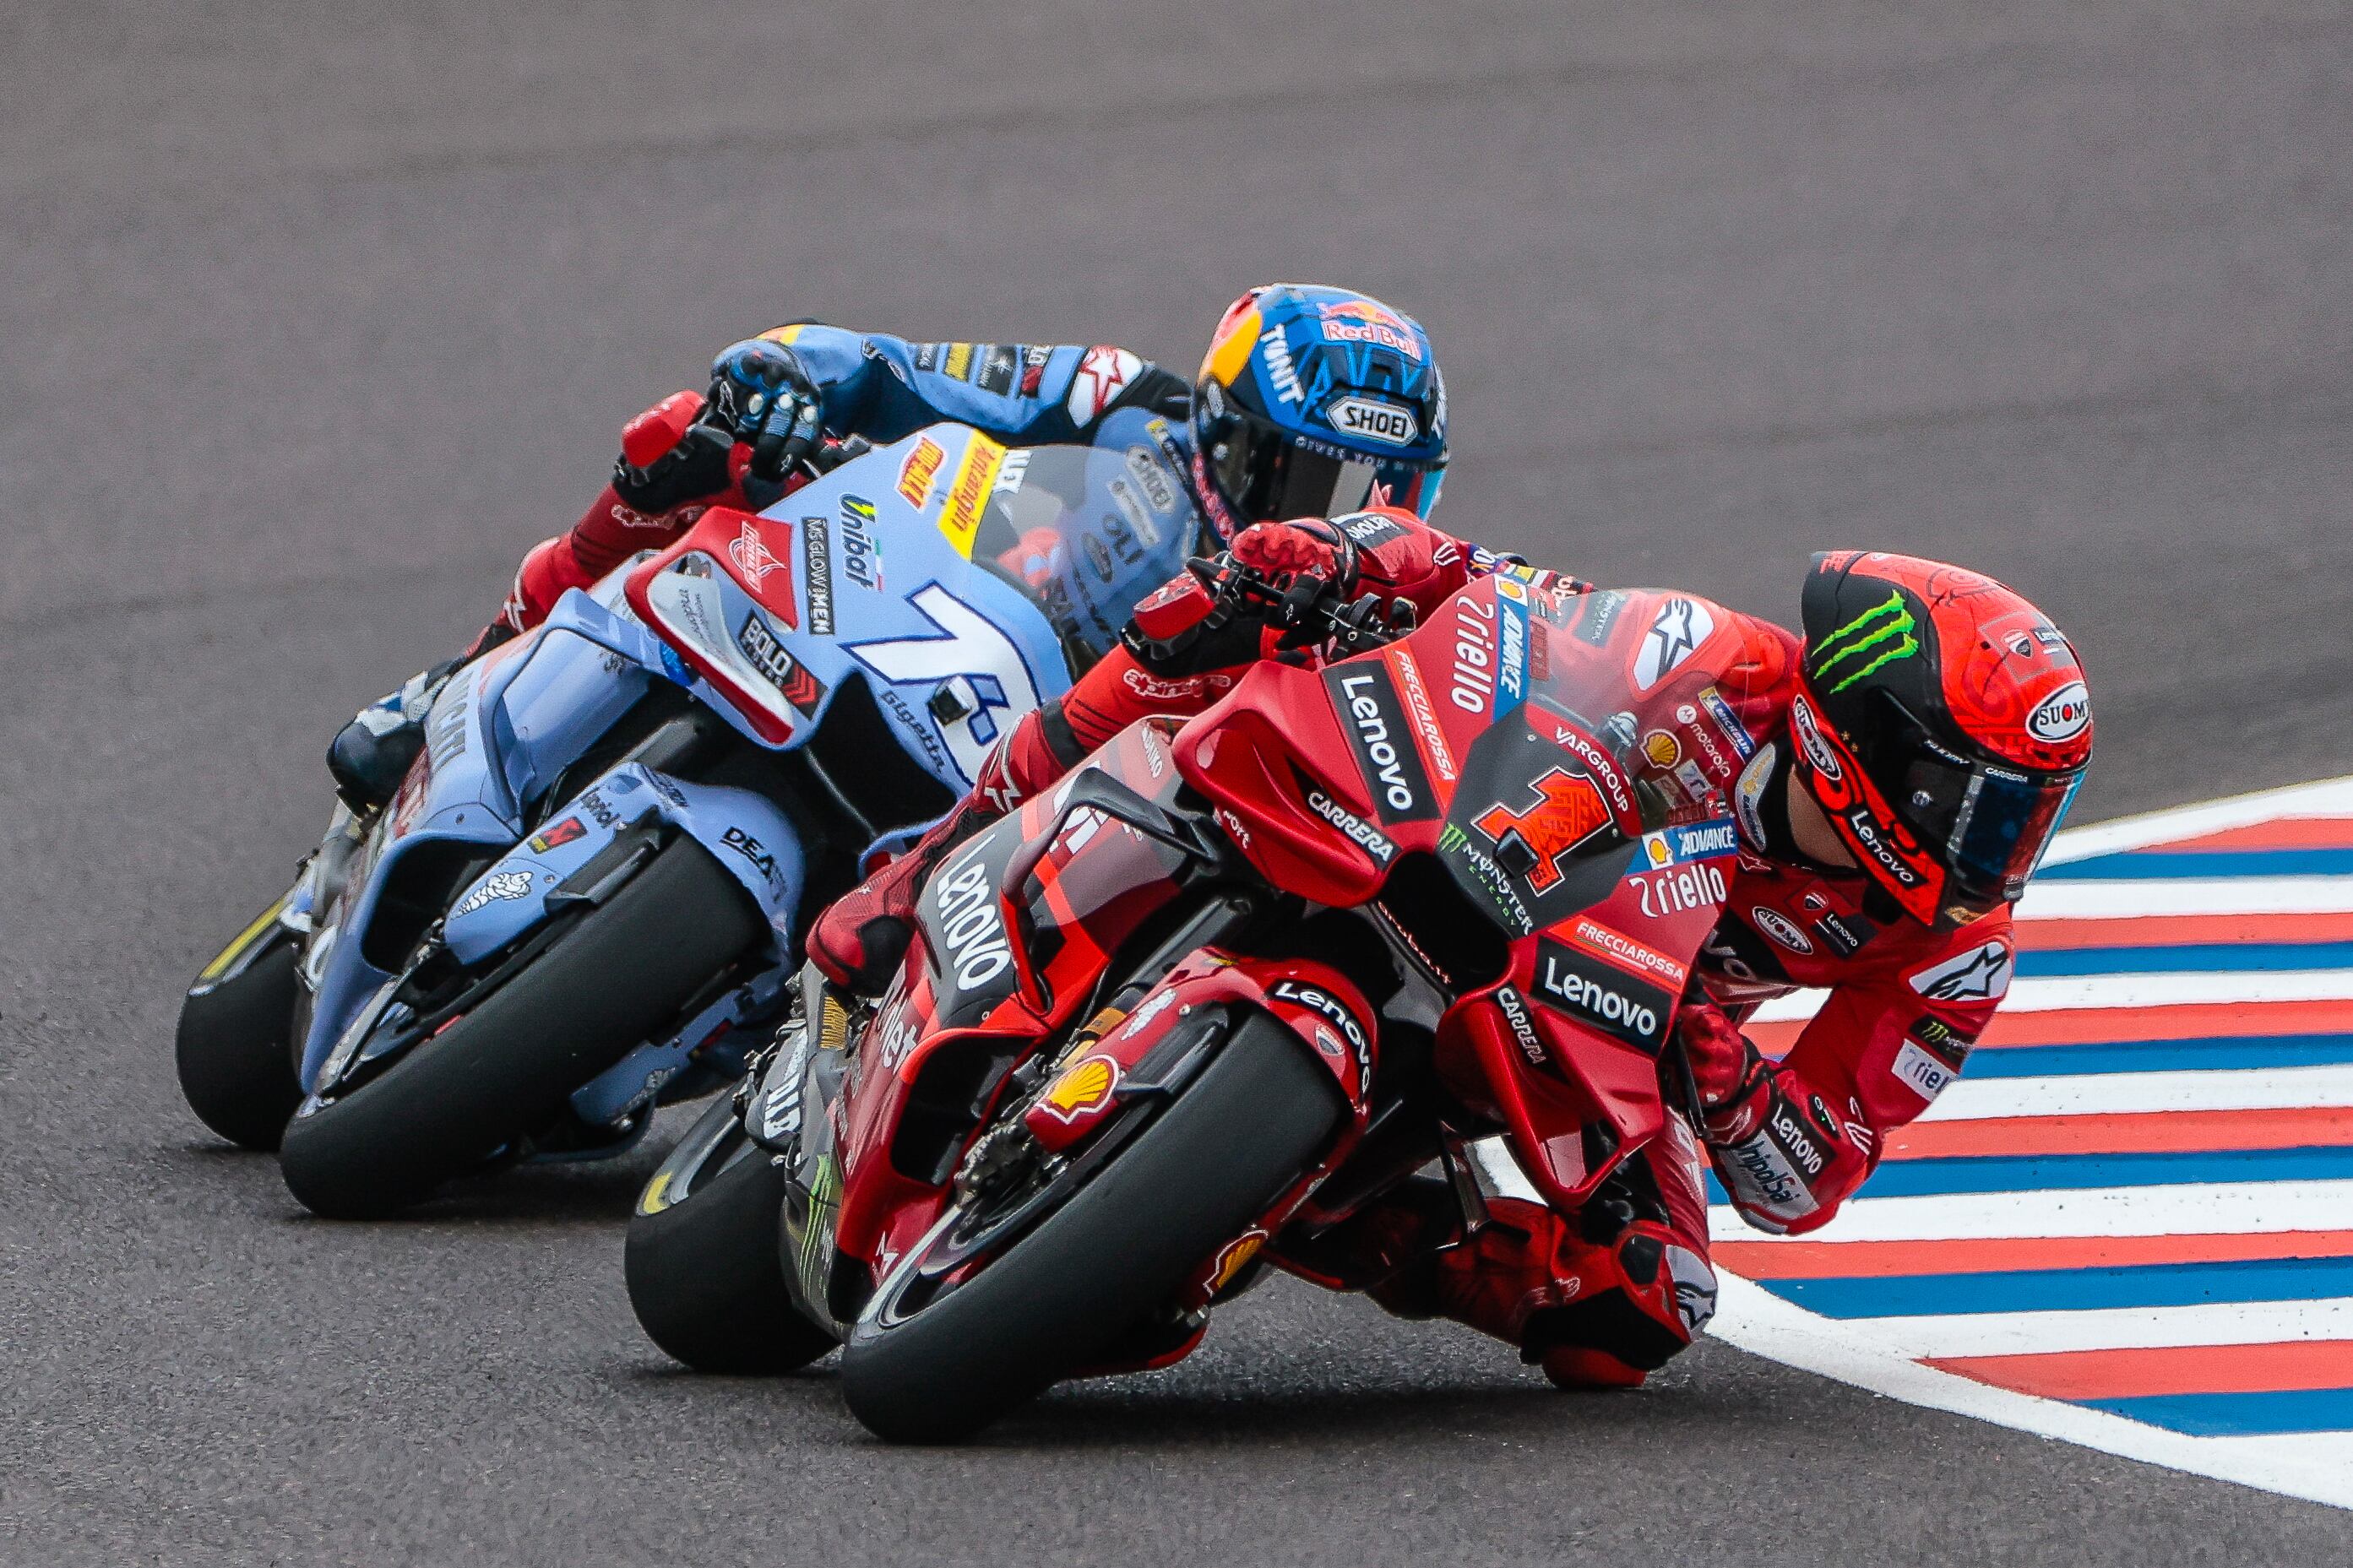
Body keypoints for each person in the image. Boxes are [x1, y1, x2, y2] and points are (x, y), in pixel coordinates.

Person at [810, 545, 2093, 1391]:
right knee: (1211, 622)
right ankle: (927, 860)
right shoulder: (1700, 657)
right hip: (1443, 842)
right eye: (1972, 803)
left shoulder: (1952, 952)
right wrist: (1345, 562)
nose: (1997, 848)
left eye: (2025, 815)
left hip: (1607, 1018)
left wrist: (1729, 1082)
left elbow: (1806, 1175)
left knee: (1640, 1311)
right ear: (1862, 735)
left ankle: (1310, 1209)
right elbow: (1490, 587)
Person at [326, 285, 1452, 807]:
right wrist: (788, 375)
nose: (1312, 511)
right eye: (1296, 473)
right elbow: (908, 369)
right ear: (1224, 419)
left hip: (1043, 777)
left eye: (1360, 489)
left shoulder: (1358, 617)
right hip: (912, 604)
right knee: (693, 439)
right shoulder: (1122, 400)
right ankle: (460, 674)